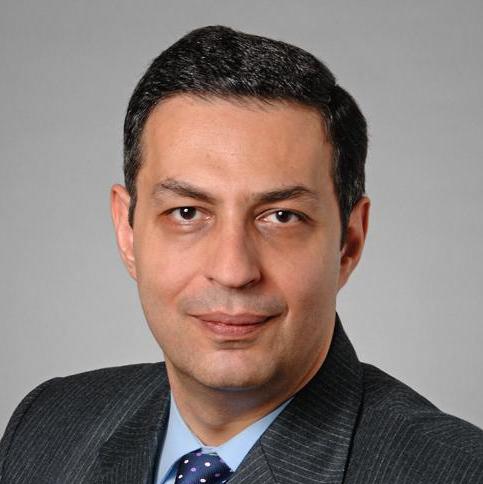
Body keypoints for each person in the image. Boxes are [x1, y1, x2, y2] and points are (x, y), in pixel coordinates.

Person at [1, 25, 482, 484]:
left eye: (282, 216)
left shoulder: (456, 471)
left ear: (349, 243)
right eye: (187, 212)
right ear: (128, 233)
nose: (233, 270)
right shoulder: (46, 427)